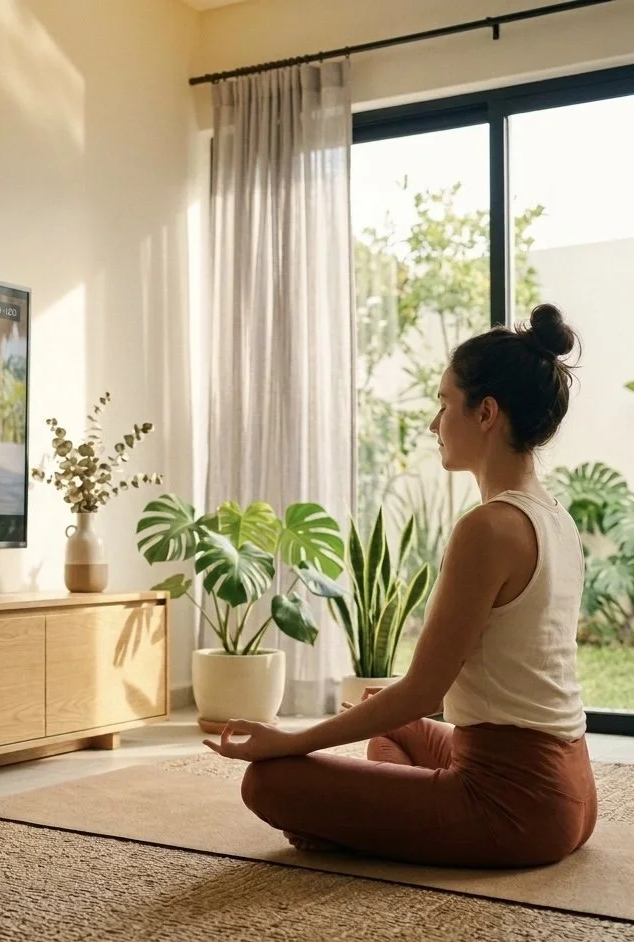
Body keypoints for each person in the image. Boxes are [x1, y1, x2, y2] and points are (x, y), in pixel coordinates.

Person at [205, 303, 597, 869]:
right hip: (573, 790)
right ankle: (383, 821)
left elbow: (423, 690)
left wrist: (289, 741)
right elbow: (426, 702)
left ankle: (372, 824)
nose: (434, 424)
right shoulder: (554, 515)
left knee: (268, 783)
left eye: (443, 404)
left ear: (485, 412)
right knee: (388, 722)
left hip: (516, 806)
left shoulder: (488, 528)